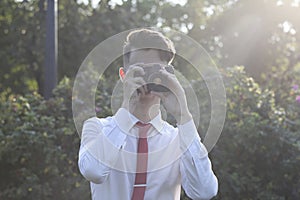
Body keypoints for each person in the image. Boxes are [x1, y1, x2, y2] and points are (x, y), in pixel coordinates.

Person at [78, 29, 218, 200]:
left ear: (169, 74)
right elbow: (94, 171)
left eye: (155, 70)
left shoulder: (179, 138)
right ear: (123, 75)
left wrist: (184, 116)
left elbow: (204, 192)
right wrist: (126, 109)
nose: (148, 77)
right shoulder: (97, 128)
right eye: (140, 70)